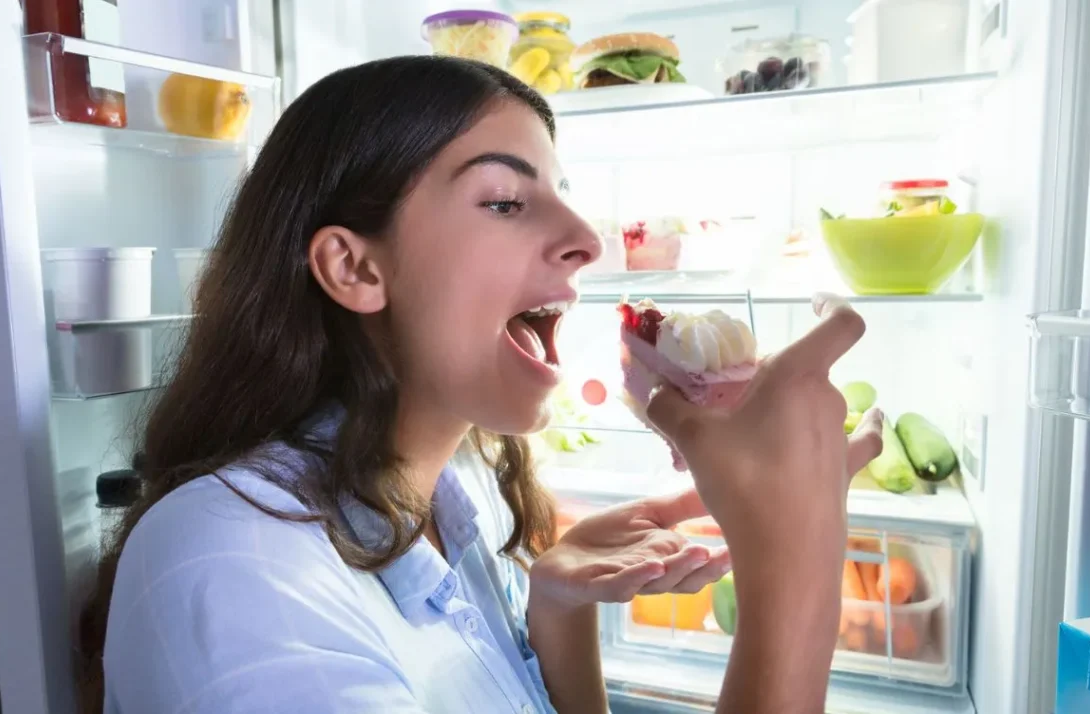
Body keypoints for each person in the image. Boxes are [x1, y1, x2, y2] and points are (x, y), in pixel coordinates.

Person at [76, 55, 883, 714]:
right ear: (355, 266)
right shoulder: (234, 566)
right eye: (505, 200)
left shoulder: (460, 497)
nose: (582, 239)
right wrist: (795, 563)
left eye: (562, 196)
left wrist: (558, 619)